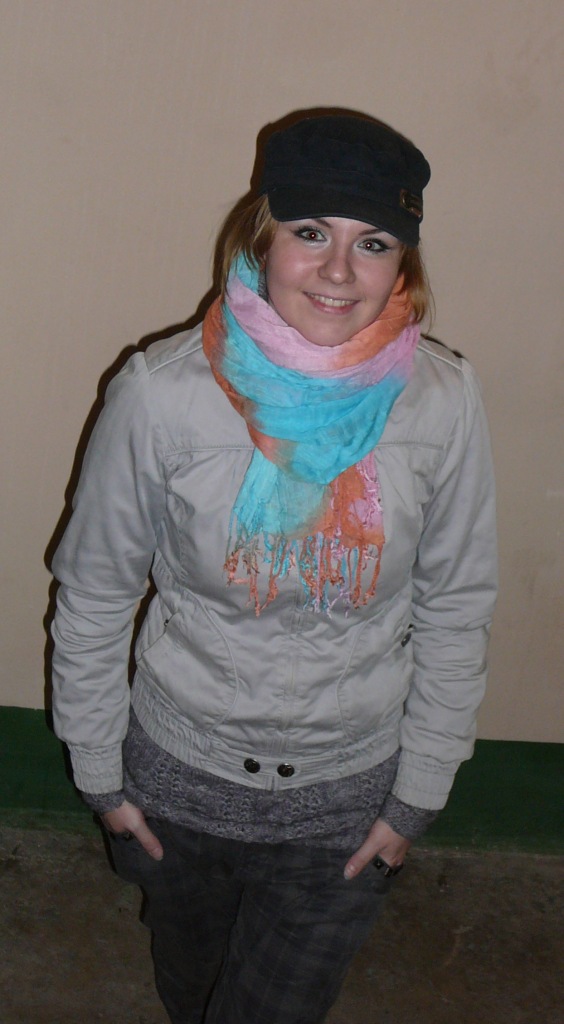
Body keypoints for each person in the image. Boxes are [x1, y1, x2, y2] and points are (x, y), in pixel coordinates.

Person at [51, 112, 497, 1024]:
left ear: (402, 265)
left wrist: (416, 797)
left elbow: (456, 606)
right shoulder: (161, 394)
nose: (339, 271)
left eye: (373, 242)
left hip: (347, 806)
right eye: (311, 233)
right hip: (177, 793)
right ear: (262, 239)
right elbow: (95, 591)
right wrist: (101, 775)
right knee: (191, 988)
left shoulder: (443, 402)